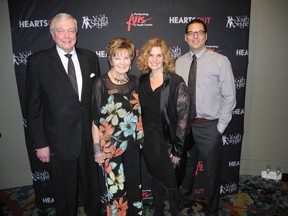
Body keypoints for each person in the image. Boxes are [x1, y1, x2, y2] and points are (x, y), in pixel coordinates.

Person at [25, 13, 101, 216]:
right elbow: (33, 108)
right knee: (65, 196)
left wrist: (101, 137)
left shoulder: (90, 57)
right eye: (61, 30)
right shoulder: (38, 62)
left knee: (93, 191)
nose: (66, 35)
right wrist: (40, 144)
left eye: (71, 30)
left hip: (89, 139)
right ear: (53, 34)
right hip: (58, 141)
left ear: (76, 33)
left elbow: (96, 100)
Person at [176, 19, 236, 216]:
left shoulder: (220, 61)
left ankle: (212, 210)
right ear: (185, 37)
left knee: (211, 173)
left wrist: (220, 128)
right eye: (191, 33)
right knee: (186, 168)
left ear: (206, 36)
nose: (195, 36)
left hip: (209, 126)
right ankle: (184, 201)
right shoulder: (180, 62)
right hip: (185, 126)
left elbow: (230, 97)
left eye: (199, 32)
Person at [137, 38, 190, 216]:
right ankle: (158, 210)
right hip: (148, 142)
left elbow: (183, 120)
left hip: (168, 142)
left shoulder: (176, 82)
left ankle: (175, 212)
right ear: (145, 57)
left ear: (165, 57)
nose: (154, 59)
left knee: (171, 182)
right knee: (155, 177)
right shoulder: (142, 81)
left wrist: (177, 150)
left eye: (159, 55)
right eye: (150, 54)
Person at [91, 38, 143, 216]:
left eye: (126, 58)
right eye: (117, 58)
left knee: (134, 185)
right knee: (116, 189)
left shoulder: (136, 82)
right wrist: (98, 150)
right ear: (110, 60)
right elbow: (95, 122)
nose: (122, 62)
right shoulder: (101, 84)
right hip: (110, 148)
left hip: (133, 146)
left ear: (131, 60)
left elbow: (140, 116)